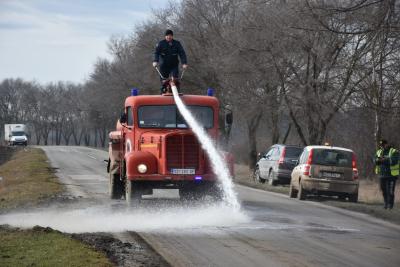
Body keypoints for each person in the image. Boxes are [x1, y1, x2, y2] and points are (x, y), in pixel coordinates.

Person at [375, 139, 399, 209]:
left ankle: (390, 205)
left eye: (383, 145)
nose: (382, 146)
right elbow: (375, 160)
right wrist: (377, 160)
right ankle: (385, 203)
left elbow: (394, 161)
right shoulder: (379, 152)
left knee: (390, 191)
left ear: (387, 144)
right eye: (381, 145)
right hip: (382, 175)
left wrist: (384, 160)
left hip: (391, 175)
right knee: (383, 190)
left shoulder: (394, 151)